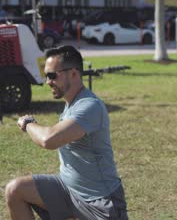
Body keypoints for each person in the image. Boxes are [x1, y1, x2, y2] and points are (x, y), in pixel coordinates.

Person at [5, 45, 128, 219]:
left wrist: (28, 123)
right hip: (68, 189)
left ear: (74, 73)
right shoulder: (71, 103)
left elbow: (49, 140)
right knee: (15, 190)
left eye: (52, 75)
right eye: (46, 75)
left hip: (100, 201)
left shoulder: (90, 106)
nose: (48, 81)